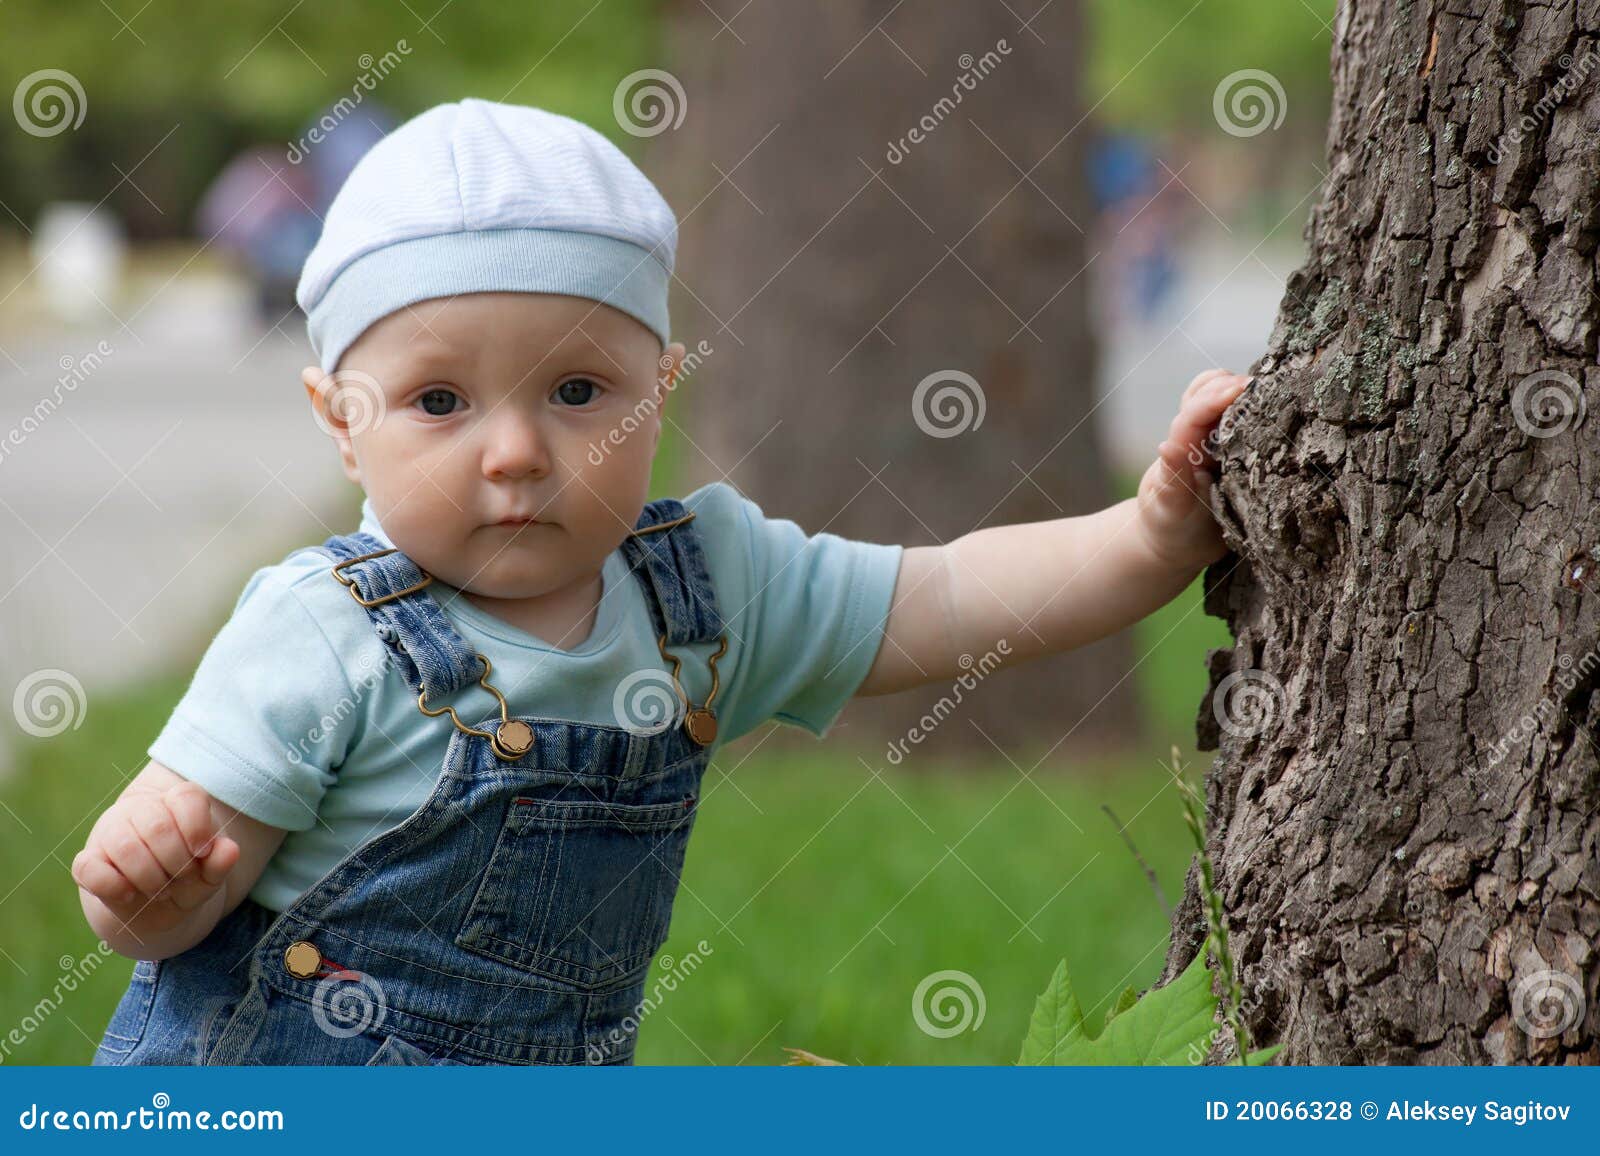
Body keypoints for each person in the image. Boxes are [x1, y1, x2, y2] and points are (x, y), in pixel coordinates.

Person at [74, 99, 1251, 1066]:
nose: (517, 451)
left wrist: (1150, 537)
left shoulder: (704, 587)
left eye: (578, 391)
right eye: (440, 402)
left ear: (662, 384)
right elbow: (180, 910)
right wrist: (144, 891)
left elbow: (942, 600)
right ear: (340, 420)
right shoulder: (322, 631)